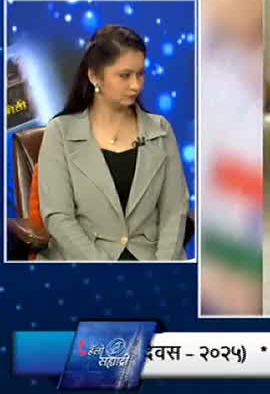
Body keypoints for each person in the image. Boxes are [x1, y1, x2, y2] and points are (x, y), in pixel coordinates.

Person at [37, 24, 190, 261]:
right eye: (125, 75)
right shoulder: (60, 132)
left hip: (151, 260)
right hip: (84, 263)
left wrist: (163, 270)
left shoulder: (160, 130)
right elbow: (58, 217)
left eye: (141, 74)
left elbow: (174, 211)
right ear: (94, 76)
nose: (136, 85)